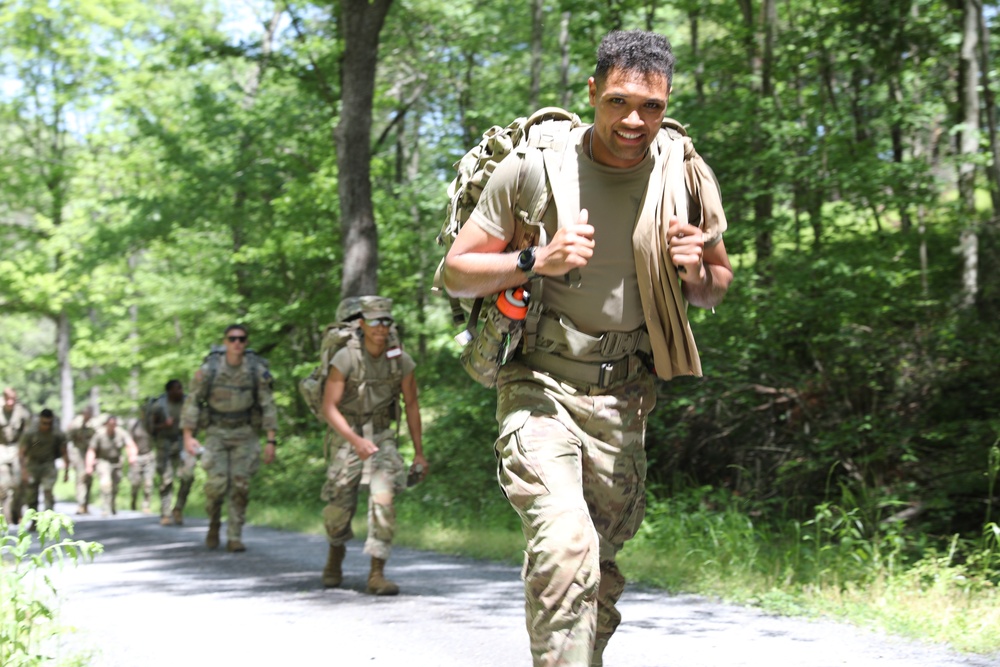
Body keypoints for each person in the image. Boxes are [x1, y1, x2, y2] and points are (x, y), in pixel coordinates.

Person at [443, 30, 733, 667]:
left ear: (667, 104)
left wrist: (695, 272)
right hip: (537, 383)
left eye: (651, 107)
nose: (634, 120)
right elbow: (456, 270)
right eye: (620, 102)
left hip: (623, 397)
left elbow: (715, 287)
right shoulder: (534, 167)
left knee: (598, 562)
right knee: (564, 546)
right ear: (594, 91)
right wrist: (533, 259)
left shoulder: (681, 170)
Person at [319, 296, 428, 595]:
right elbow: (329, 407)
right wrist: (355, 441)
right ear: (363, 324)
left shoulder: (399, 360)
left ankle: (376, 573)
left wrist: (419, 452)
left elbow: (412, 404)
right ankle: (335, 556)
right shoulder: (346, 359)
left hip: (382, 436)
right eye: (376, 321)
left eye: (387, 321)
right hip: (347, 433)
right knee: (338, 507)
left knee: (384, 498)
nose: (382, 327)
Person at [181, 324, 277, 552]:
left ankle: (235, 535)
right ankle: (214, 523)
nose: (237, 343)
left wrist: (271, 440)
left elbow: (267, 404)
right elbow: (193, 400)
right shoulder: (210, 370)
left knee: (240, 485)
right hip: (216, 432)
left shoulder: (255, 370)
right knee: (217, 485)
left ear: (246, 343)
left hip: (245, 432)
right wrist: (188, 435)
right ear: (225, 342)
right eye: (232, 339)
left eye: (242, 339)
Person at [150, 380, 196, 526]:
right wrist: (164, 425)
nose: (180, 391)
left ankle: (179, 508)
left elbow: (197, 422)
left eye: (181, 388)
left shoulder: (188, 404)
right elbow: (151, 428)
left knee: (188, 476)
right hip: (165, 444)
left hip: (184, 442)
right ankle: (165, 513)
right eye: (177, 389)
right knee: (166, 479)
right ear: (169, 391)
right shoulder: (159, 406)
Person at [18, 408, 69, 525]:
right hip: (32, 464)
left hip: (48, 464)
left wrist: (66, 471)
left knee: (48, 491)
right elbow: (21, 453)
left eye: (49, 423)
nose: (47, 426)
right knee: (31, 495)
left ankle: (47, 522)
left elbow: (64, 452)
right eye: (44, 423)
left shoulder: (57, 434)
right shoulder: (30, 433)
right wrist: (23, 471)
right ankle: (33, 522)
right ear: (39, 421)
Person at [85, 416, 138, 516]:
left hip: (116, 462)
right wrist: (89, 466)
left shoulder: (121, 433)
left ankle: (112, 505)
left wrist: (132, 456)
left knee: (115, 486)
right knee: (105, 483)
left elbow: (130, 445)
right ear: (106, 425)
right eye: (110, 425)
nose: (112, 427)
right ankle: (105, 508)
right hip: (103, 461)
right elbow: (91, 450)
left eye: (114, 425)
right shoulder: (99, 434)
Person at [0, 387, 32, 525]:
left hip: (17, 448)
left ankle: (17, 511)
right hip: (1, 448)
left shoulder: (22, 412)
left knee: (19, 484)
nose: (11, 402)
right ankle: (4, 516)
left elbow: (29, 434)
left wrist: (26, 454)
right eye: (8, 399)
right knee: (3, 485)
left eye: (13, 399)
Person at [66, 406, 99, 515]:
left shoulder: (94, 425)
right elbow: (68, 438)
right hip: (78, 452)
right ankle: (81, 504)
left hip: (90, 452)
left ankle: (86, 504)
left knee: (89, 478)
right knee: (81, 477)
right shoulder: (75, 424)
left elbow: (98, 439)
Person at [126, 416, 156, 513]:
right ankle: (133, 502)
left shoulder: (152, 424)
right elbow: (128, 441)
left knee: (148, 483)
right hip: (137, 456)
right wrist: (130, 455)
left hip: (149, 456)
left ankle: (146, 505)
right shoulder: (134, 425)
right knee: (135, 483)